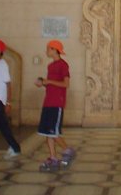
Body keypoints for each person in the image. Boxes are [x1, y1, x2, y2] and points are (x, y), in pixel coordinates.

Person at [36, 39, 76, 171]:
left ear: (54, 50)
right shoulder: (50, 66)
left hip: (57, 103)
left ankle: (67, 150)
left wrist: (49, 81)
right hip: (48, 101)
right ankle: (53, 158)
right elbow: (51, 83)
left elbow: (66, 84)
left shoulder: (63, 65)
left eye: (48, 48)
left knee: (54, 133)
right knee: (47, 132)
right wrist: (43, 83)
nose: (46, 51)